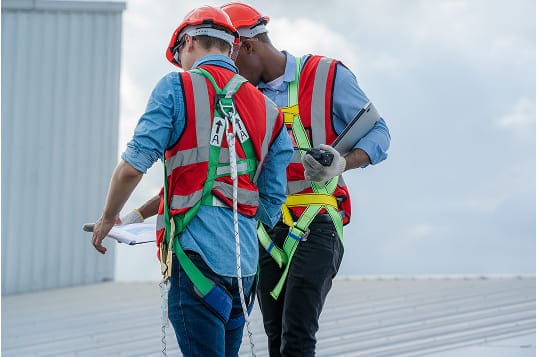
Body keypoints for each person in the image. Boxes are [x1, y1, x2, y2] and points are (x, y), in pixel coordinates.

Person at [91, 5, 293, 356]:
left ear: (187, 43)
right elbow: (273, 197)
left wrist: (109, 217)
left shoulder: (176, 86)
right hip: (244, 270)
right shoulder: (269, 110)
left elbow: (132, 167)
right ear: (231, 48)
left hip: (196, 260)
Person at [220, 3, 391, 356]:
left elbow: (378, 132)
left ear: (247, 46)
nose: (228, 75)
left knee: (296, 334)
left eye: (230, 61)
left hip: (317, 223)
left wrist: (342, 163)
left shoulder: (326, 75)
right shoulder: (240, 99)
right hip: (266, 231)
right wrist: (135, 216)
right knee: (275, 336)